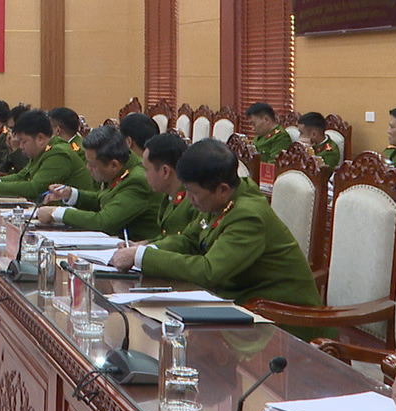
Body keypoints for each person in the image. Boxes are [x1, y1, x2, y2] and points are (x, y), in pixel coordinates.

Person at [110, 139, 331, 341]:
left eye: (193, 193)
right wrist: (146, 248)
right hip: (240, 306)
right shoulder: (222, 199)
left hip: (284, 321)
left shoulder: (248, 215)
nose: (189, 199)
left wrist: (142, 257)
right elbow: (188, 240)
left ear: (222, 189)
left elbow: (209, 271)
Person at [38, 125, 159, 240]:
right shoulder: (122, 164)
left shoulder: (137, 180)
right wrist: (71, 194)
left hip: (134, 246)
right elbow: (104, 200)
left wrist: (57, 213)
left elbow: (104, 221)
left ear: (113, 165)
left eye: (93, 165)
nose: (87, 168)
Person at [0, 109, 92, 199]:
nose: (20, 146)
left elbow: (35, 188)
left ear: (40, 138)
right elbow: (22, 176)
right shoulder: (43, 150)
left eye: (24, 142)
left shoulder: (59, 153)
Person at [139, 133, 199, 241]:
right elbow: (166, 237)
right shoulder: (168, 195)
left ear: (165, 171)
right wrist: (144, 244)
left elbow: (185, 243)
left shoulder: (194, 201)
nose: (145, 175)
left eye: (146, 170)